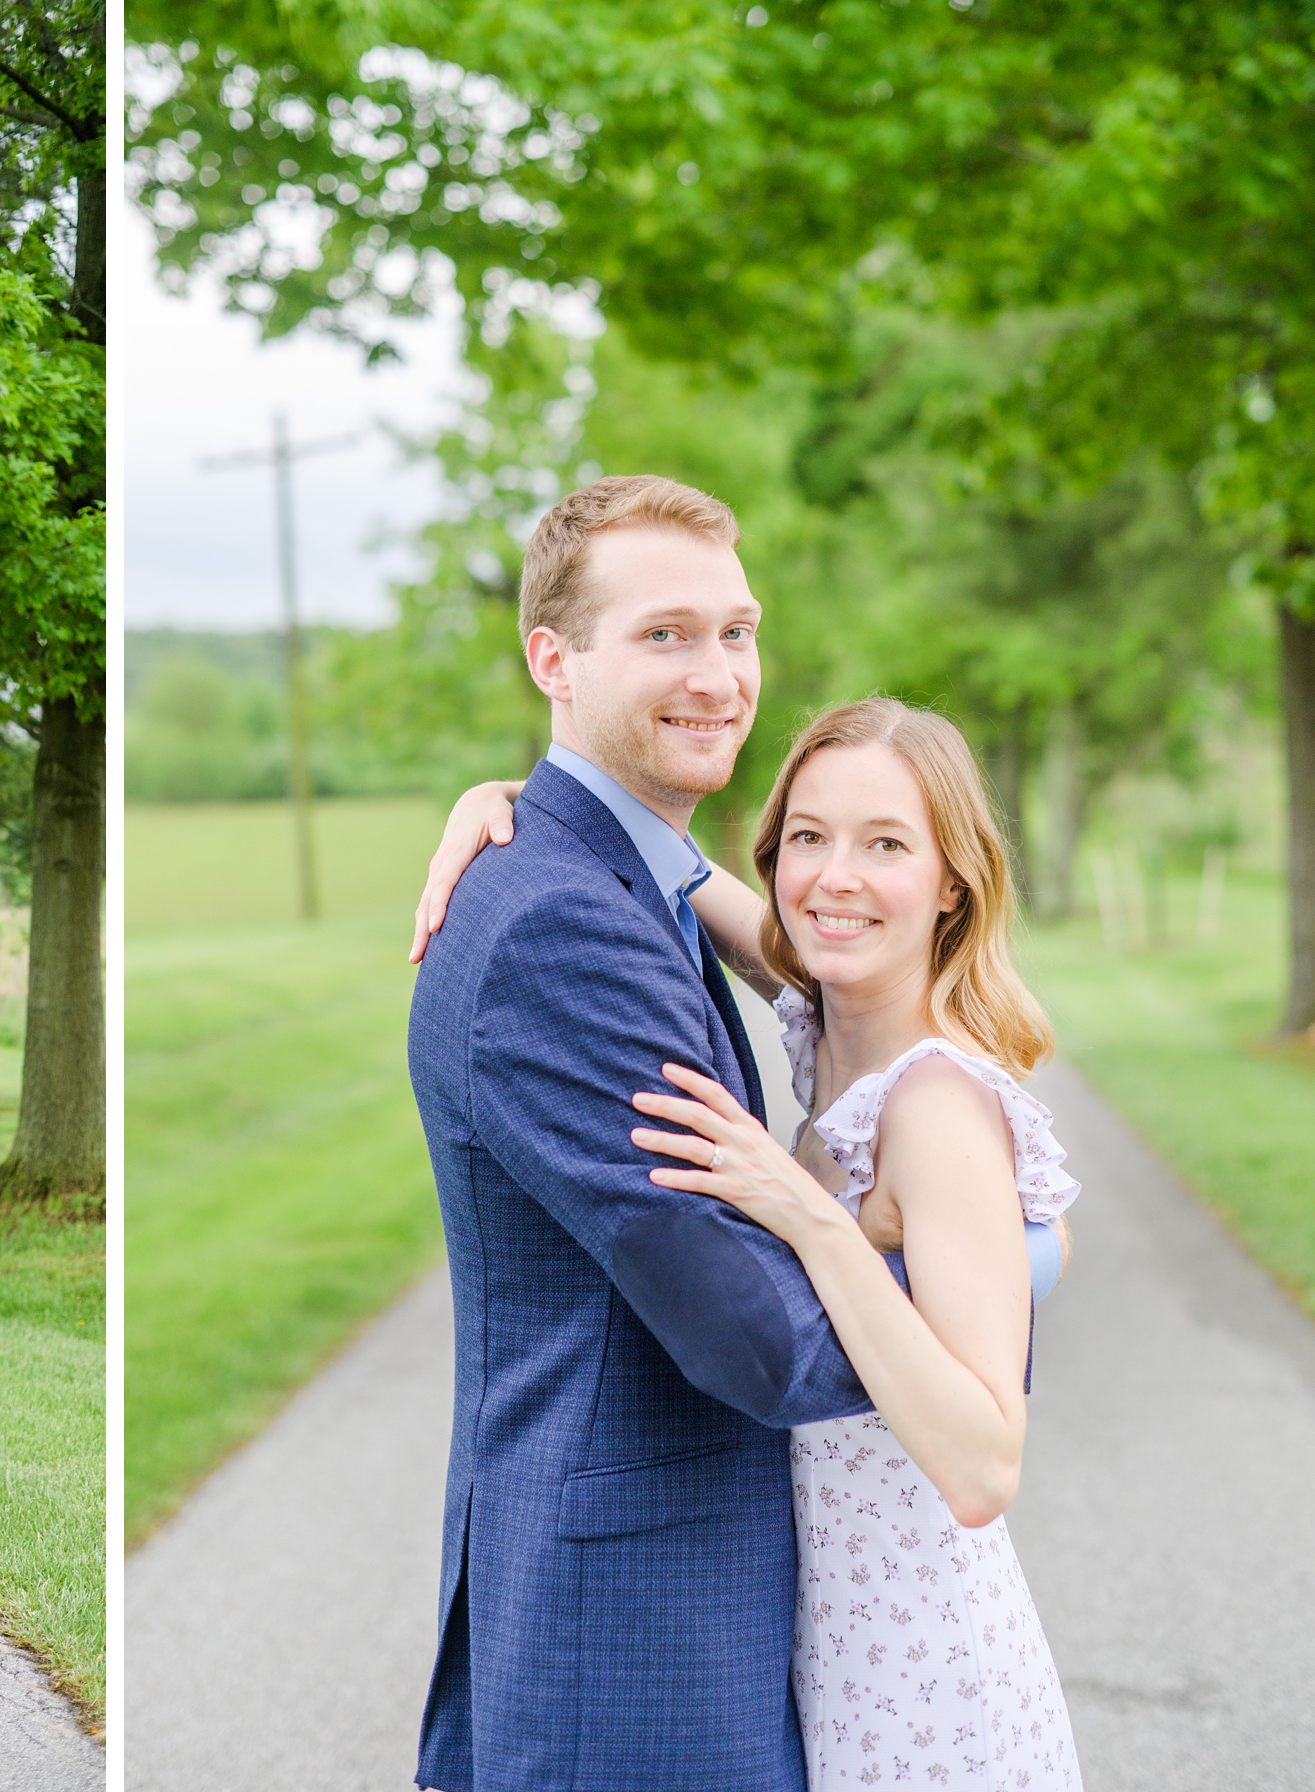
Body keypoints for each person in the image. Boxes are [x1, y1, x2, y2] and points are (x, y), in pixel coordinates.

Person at [399, 476, 1069, 1792]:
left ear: (952, 880)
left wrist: (865, 1225)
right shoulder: (568, 918)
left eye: (738, 630)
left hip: (846, 1629)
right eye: (666, 635)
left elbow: (793, 924)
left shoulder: (624, 890)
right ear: (553, 657)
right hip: (636, 1636)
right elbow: (757, 1342)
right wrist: (503, 797)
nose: (717, 673)